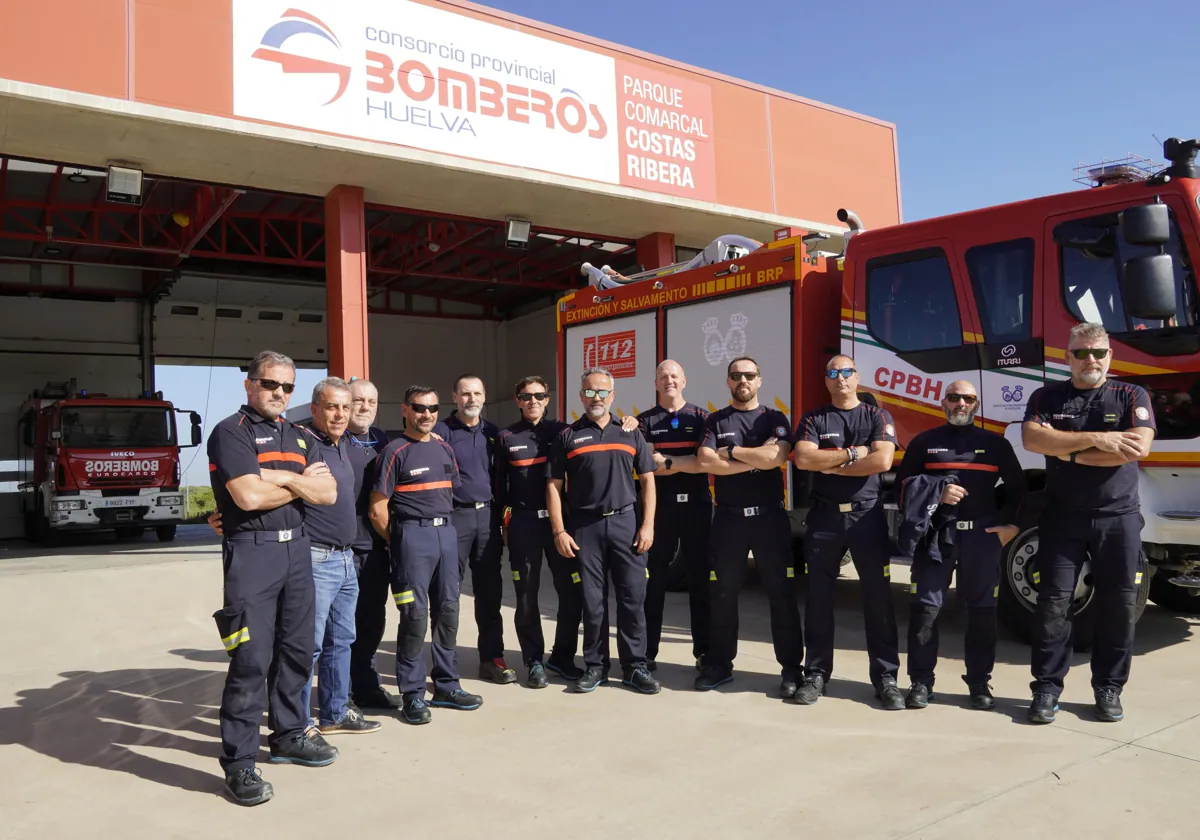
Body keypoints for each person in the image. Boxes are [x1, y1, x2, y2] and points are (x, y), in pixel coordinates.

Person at [207, 350, 339, 806]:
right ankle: (240, 763)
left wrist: (278, 476)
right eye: (270, 385)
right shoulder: (230, 432)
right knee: (250, 660)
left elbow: (328, 492)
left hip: (298, 551)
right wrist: (298, 481)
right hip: (253, 554)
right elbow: (245, 497)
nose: (279, 394)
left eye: (287, 387)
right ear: (250, 385)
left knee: (298, 650)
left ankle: (288, 734)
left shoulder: (300, 436)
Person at [1021, 322, 1155, 724]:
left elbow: (1137, 448)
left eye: (1097, 352)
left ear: (1109, 356)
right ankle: (1047, 688)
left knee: (1118, 604)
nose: (1090, 360)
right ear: (1069, 357)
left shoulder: (1132, 394)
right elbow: (1033, 440)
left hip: (1119, 517)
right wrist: (1100, 440)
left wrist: (1067, 449)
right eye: (1080, 353)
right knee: (1052, 604)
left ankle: (1108, 687)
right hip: (1063, 516)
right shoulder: (1046, 396)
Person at [895, 380, 1026, 711]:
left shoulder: (994, 444)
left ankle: (979, 682)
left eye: (968, 399)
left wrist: (1010, 526)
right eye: (954, 398)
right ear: (944, 403)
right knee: (926, 610)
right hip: (936, 536)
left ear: (976, 405)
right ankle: (921, 682)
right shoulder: (925, 443)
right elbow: (902, 488)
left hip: (981, 538)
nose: (961, 404)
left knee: (982, 613)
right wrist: (936, 492)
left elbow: (1018, 488)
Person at [791, 355, 903, 710]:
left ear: (857, 377)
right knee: (819, 599)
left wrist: (834, 464)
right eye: (832, 373)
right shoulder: (814, 418)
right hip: (824, 520)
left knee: (878, 599)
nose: (840, 378)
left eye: (846, 372)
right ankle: (816, 674)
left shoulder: (876, 416)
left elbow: (883, 461)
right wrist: (855, 454)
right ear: (826, 380)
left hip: (866, 518)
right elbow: (805, 459)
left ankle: (886, 678)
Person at [369, 385, 483, 725]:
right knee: (415, 618)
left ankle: (447, 685)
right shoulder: (394, 451)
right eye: (419, 408)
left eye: (433, 408)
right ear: (405, 409)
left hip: (446, 534)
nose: (427, 414)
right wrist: (401, 539)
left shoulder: (445, 449)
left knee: (448, 612)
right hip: (412, 537)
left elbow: (452, 492)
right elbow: (377, 510)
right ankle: (413, 694)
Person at [547, 368, 660, 695]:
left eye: (602, 392)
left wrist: (648, 525)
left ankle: (634, 666)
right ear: (581, 396)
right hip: (585, 527)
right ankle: (595, 666)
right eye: (589, 392)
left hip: (626, 524)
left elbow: (649, 481)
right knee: (593, 601)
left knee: (632, 598)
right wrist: (559, 531)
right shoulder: (567, 436)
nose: (596, 397)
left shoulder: (630, 432)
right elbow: (553, 487)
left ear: (612, 396)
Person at [694, 356, 802, 697]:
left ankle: (790, 669)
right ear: (728, 382)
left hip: (770, 518)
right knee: (723, 594)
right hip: (728, 519)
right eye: (736, 375)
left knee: (781, 594)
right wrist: (754, 457)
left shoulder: (774, 418)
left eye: (749, 375)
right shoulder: (716, 419)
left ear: (760, 380)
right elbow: (704, 460)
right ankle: (720, 665)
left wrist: (732, 452)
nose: (743, 380)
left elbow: (777, 458)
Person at [292, 378, 382, 735]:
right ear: (315, 408)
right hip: (316, 558)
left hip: (346, 560)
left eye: (346, 407)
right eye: (332, 407)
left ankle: (334, 712)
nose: (341, 414)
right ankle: (297, 722)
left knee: (341, 640)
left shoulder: (344, 444)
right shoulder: (301, 443)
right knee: (308, 646)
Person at [494, 375, 585, 688]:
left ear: (548, 399)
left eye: (539, 395)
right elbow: (498, 488)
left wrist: (627, 421)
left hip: (560, 525)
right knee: (527, 597)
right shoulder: (506, 437)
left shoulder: (563, 432)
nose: (533, 401)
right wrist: (503, 524)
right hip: (524, 524)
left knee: (572, 593)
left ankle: (562, 657)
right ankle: (533, 662)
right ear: (518, 400)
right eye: (526, 396)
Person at [432, 375, 512, 685]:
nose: (471, 398)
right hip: (455, 520)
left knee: (490, 594)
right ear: (455, 397)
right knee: (447, 597)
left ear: (485, 396)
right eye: (465, 393)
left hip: (488, 519)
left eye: (477, 393)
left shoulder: (494, 433)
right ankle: (446, 667)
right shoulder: (441, 432)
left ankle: (492, 660)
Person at [636, 360, 713, 672]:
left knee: (701, 582)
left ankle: (705, 654)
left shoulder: (703, 418)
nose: (669, 380)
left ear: (684, 380)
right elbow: (648, 466)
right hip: (661, 507)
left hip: (697, 506)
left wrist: (666, 460)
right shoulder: (644, 421)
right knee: (652, 583)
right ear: (656, 383)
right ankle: (646, 654)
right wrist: (684, 461)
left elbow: (705, 463)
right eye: (663, 376)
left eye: (674, 376)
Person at [344, 378, 400, 711]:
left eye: (371, 401)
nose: (364, 407)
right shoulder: (327, 440)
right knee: (339, 627)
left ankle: (366, 687)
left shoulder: (382, 440)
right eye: (358, 400)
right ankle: (338, 696)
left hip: (376, 546)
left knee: (371, 620)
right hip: (340, 550)